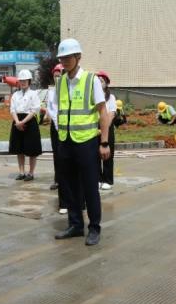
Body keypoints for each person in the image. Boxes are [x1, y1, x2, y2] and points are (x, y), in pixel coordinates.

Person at [53, 38, 111, 246]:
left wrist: (104, 142)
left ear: (78, 57)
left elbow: (103, 112)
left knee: (89, 187)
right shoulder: (60, 82)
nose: (65, 61)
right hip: (65, 141)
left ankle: (94, 228)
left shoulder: (90, 80)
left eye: (68, 57)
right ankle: (75, 224)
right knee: (69, 186)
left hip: (86, 142)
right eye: (62, 58)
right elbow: (58, 110)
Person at [9, 69, 42, 181]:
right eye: (21, 80)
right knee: (19, 149)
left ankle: (31, 173)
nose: (23, 82)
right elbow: (12, 109)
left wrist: (23, 122)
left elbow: (34, 110)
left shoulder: (34, 94)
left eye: (25, 80)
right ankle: (21, 172)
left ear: (29, 81)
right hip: (17, 122)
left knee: (32, 150)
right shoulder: (15, 95)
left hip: (30, 122)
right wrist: (17, 122)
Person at [46, 63, 68, 214]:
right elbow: (51, 108)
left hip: (67, 127)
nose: (57, 78)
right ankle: (57, 179)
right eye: (55, 76)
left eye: (59, 75)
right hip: (56, 127)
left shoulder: (67, 89)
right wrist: (56, 122)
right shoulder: (52, 91)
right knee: (57, 155)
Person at [96, 71, 117, 190]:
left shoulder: (111, 97)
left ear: (106, 83)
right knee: (95, 155)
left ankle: (108, 180)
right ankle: (98, 179)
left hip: (107, 128)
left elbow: (111, 114)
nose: (99, 83)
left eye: (102, 81)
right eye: (98, 81)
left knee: (108, 154)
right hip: (95, 127)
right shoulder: (93, 96)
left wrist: (103, 129)